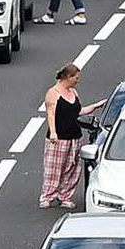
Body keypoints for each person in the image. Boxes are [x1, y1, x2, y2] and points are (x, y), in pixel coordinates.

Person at [39, 64, 84, 208]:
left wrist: (96, 106)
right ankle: (47, 196)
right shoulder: (53, 93)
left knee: (72, 167)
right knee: (54, 167)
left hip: (75, 136)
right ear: (67, 77)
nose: (77, 80)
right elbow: (50, 113)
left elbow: (77, 111)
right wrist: (53, 132)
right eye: (76, 78)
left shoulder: (74, 92)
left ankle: (64, 195)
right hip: (59, 137)